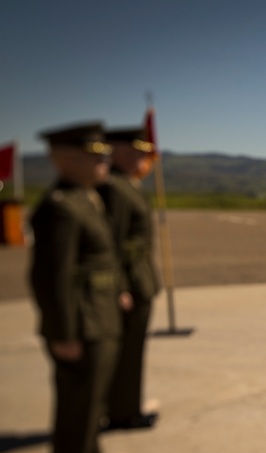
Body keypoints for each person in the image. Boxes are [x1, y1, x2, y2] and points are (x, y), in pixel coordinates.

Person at [28, 122, 133, 453]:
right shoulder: (60, 209)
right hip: (81, 324)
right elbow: (51, 279)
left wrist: (118, 290)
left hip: (98, 316)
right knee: (78, 405)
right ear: (66, 159)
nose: (105, 161)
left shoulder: (87, 198)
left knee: (92, 403)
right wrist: (63, 333)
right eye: (96, 155)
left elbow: (100, 259)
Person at [97, 126, 161, 431]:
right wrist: (120, 287)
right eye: (137, 151)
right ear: (118, 151)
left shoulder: (128, 184)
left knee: (133, 351)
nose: (144, 157)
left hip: (140, 280)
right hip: (130, 285)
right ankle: (122, 412)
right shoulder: (113, 187)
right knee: (124, 353)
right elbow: (111, 244)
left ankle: (128, 407)